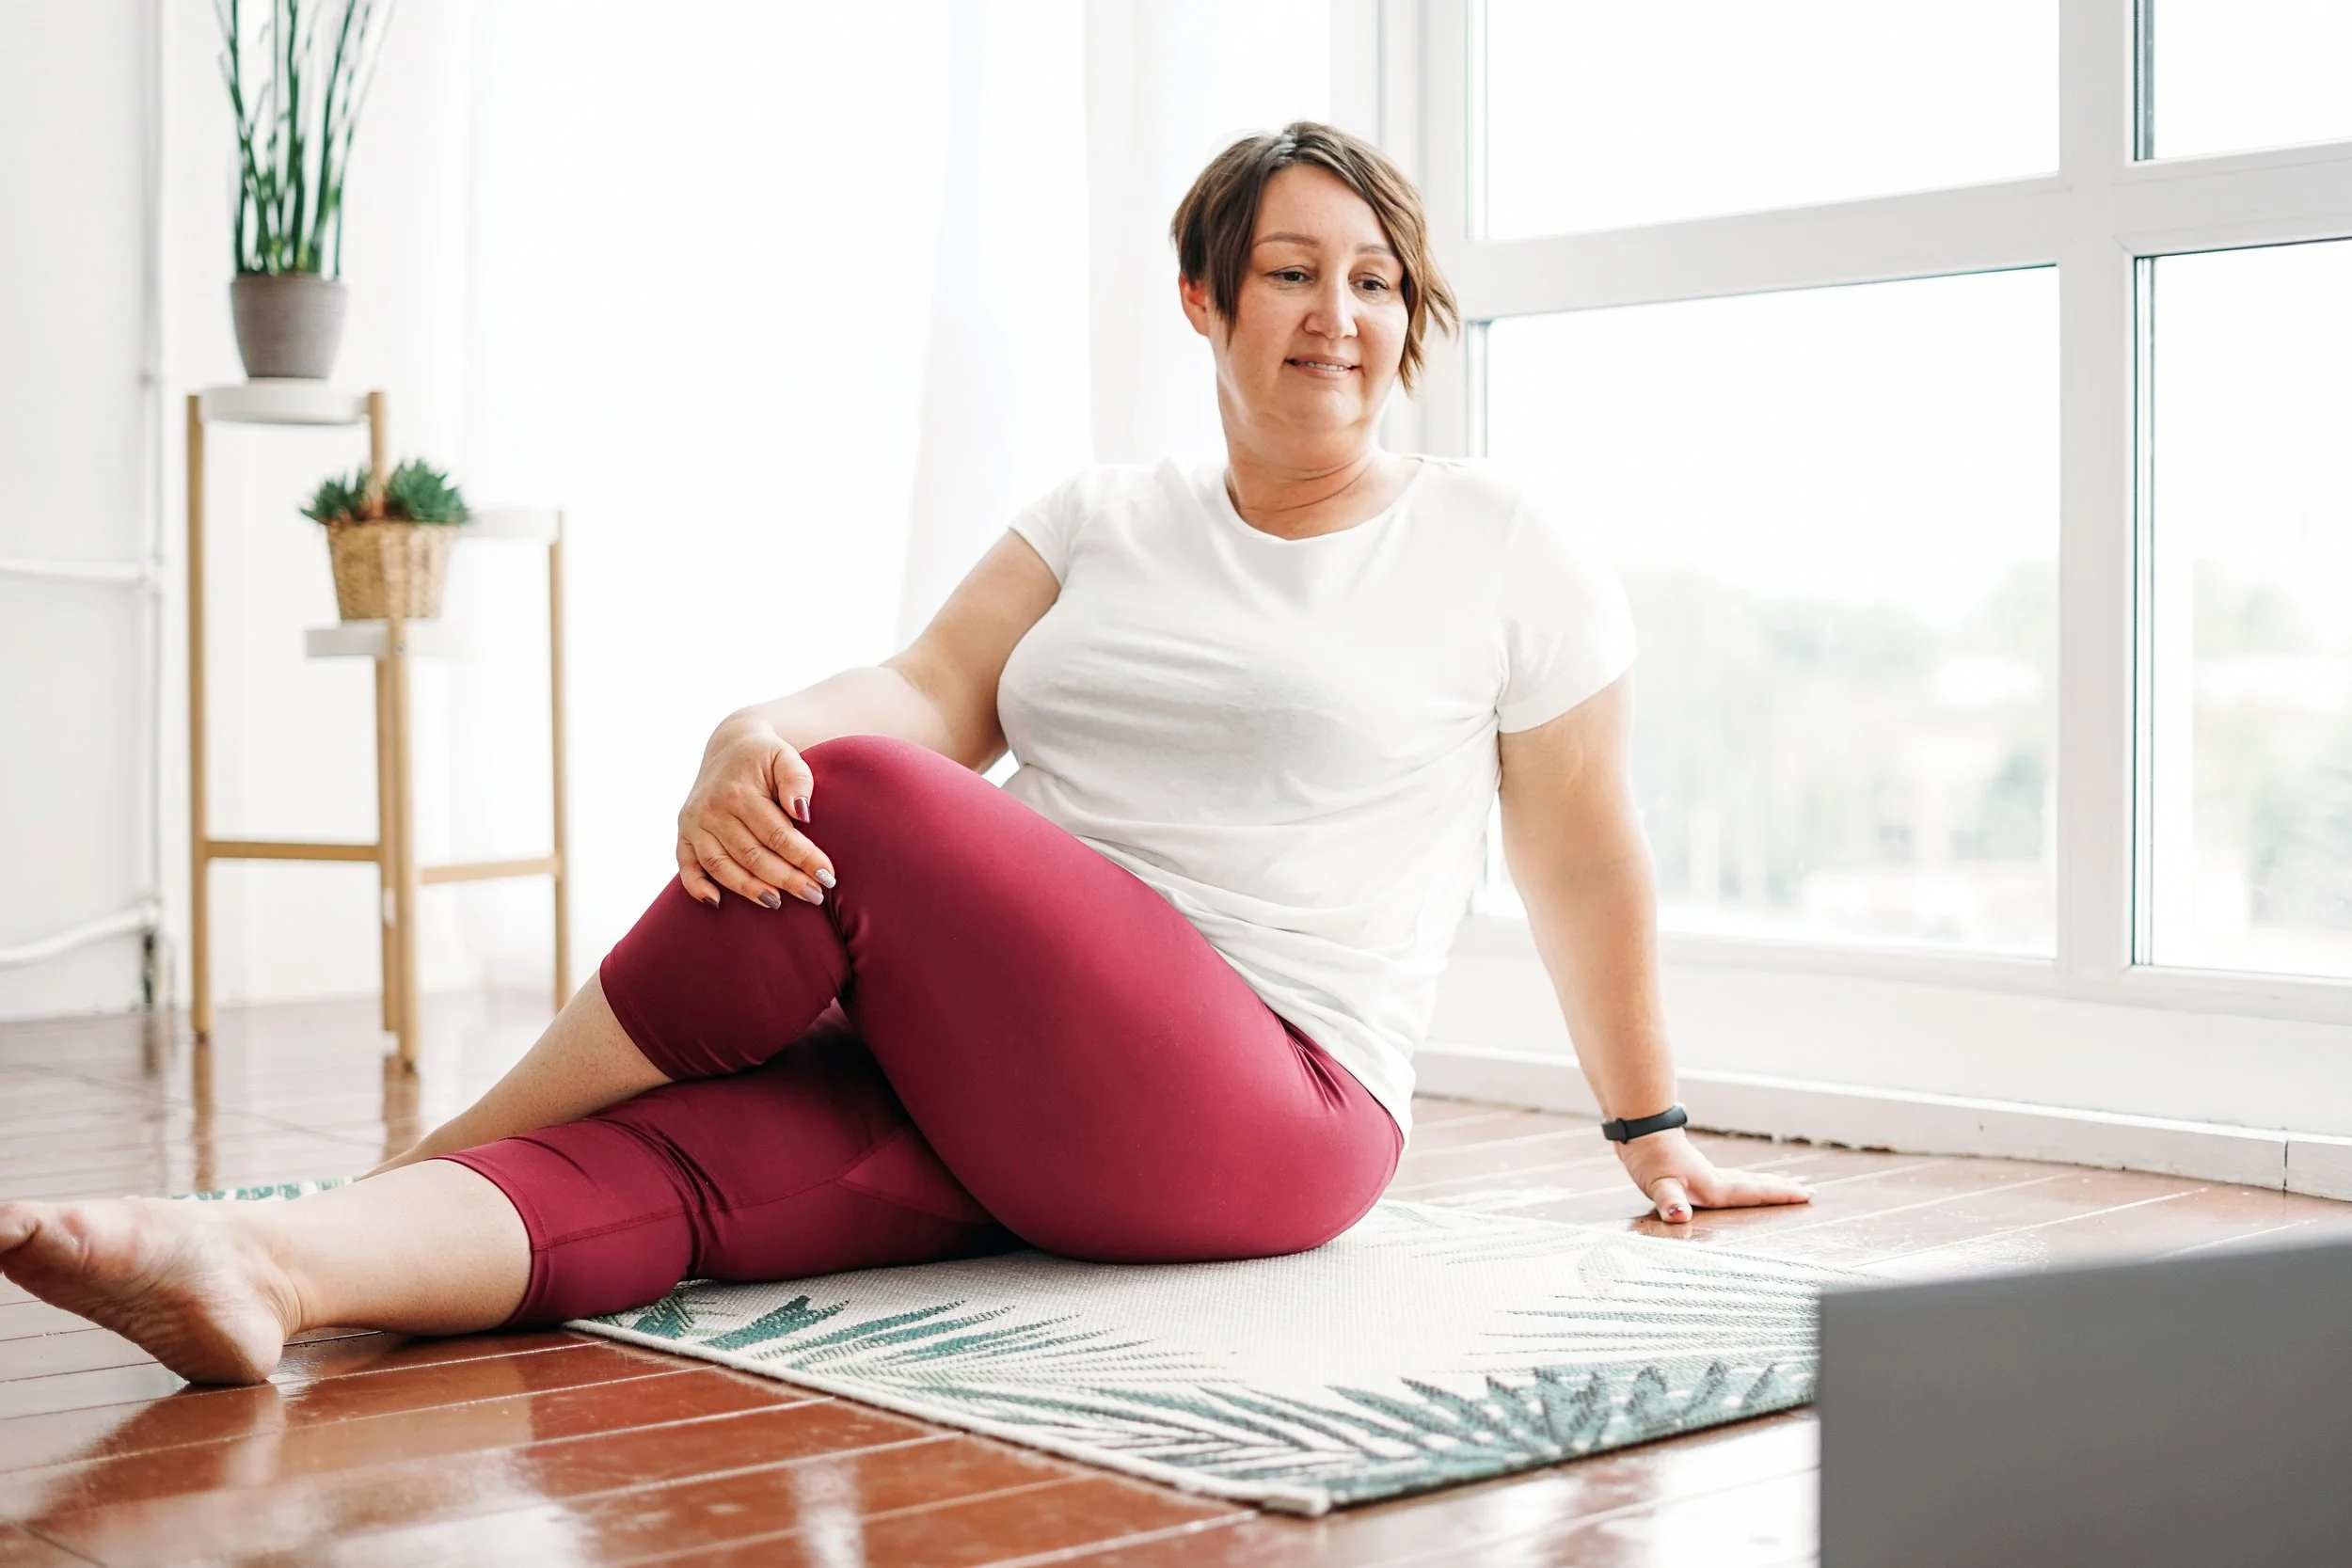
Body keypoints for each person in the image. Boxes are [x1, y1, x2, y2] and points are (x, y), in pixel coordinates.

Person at [0, 122, 1811, 1386]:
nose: (1340, 315)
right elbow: (930, 688)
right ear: (1204, 298)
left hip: (1275, 1106)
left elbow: (1583, 854)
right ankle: (277, 1275)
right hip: (1010, 1073)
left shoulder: (1500, 543)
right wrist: (747, 733)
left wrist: (1651, 1131)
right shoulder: (1103, 515)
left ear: (1411, 318)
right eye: (1291, 272)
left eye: (1374, 281)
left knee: (851, 803)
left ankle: (401, 1165)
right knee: (687, 1165)